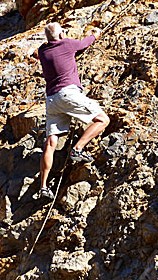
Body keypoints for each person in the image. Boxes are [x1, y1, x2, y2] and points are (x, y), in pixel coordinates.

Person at [36, 22, 110, 200]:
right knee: (102, 120)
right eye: (64, 31)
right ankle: (77, 149)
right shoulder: (67, 44)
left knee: (51, 143)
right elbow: (87, 42)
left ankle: (44, 186)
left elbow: (59, 49)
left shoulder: (42, 51)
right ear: (61, 35)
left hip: (51, 100)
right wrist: (96, 33)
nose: (66, 33)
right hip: (68, 93)